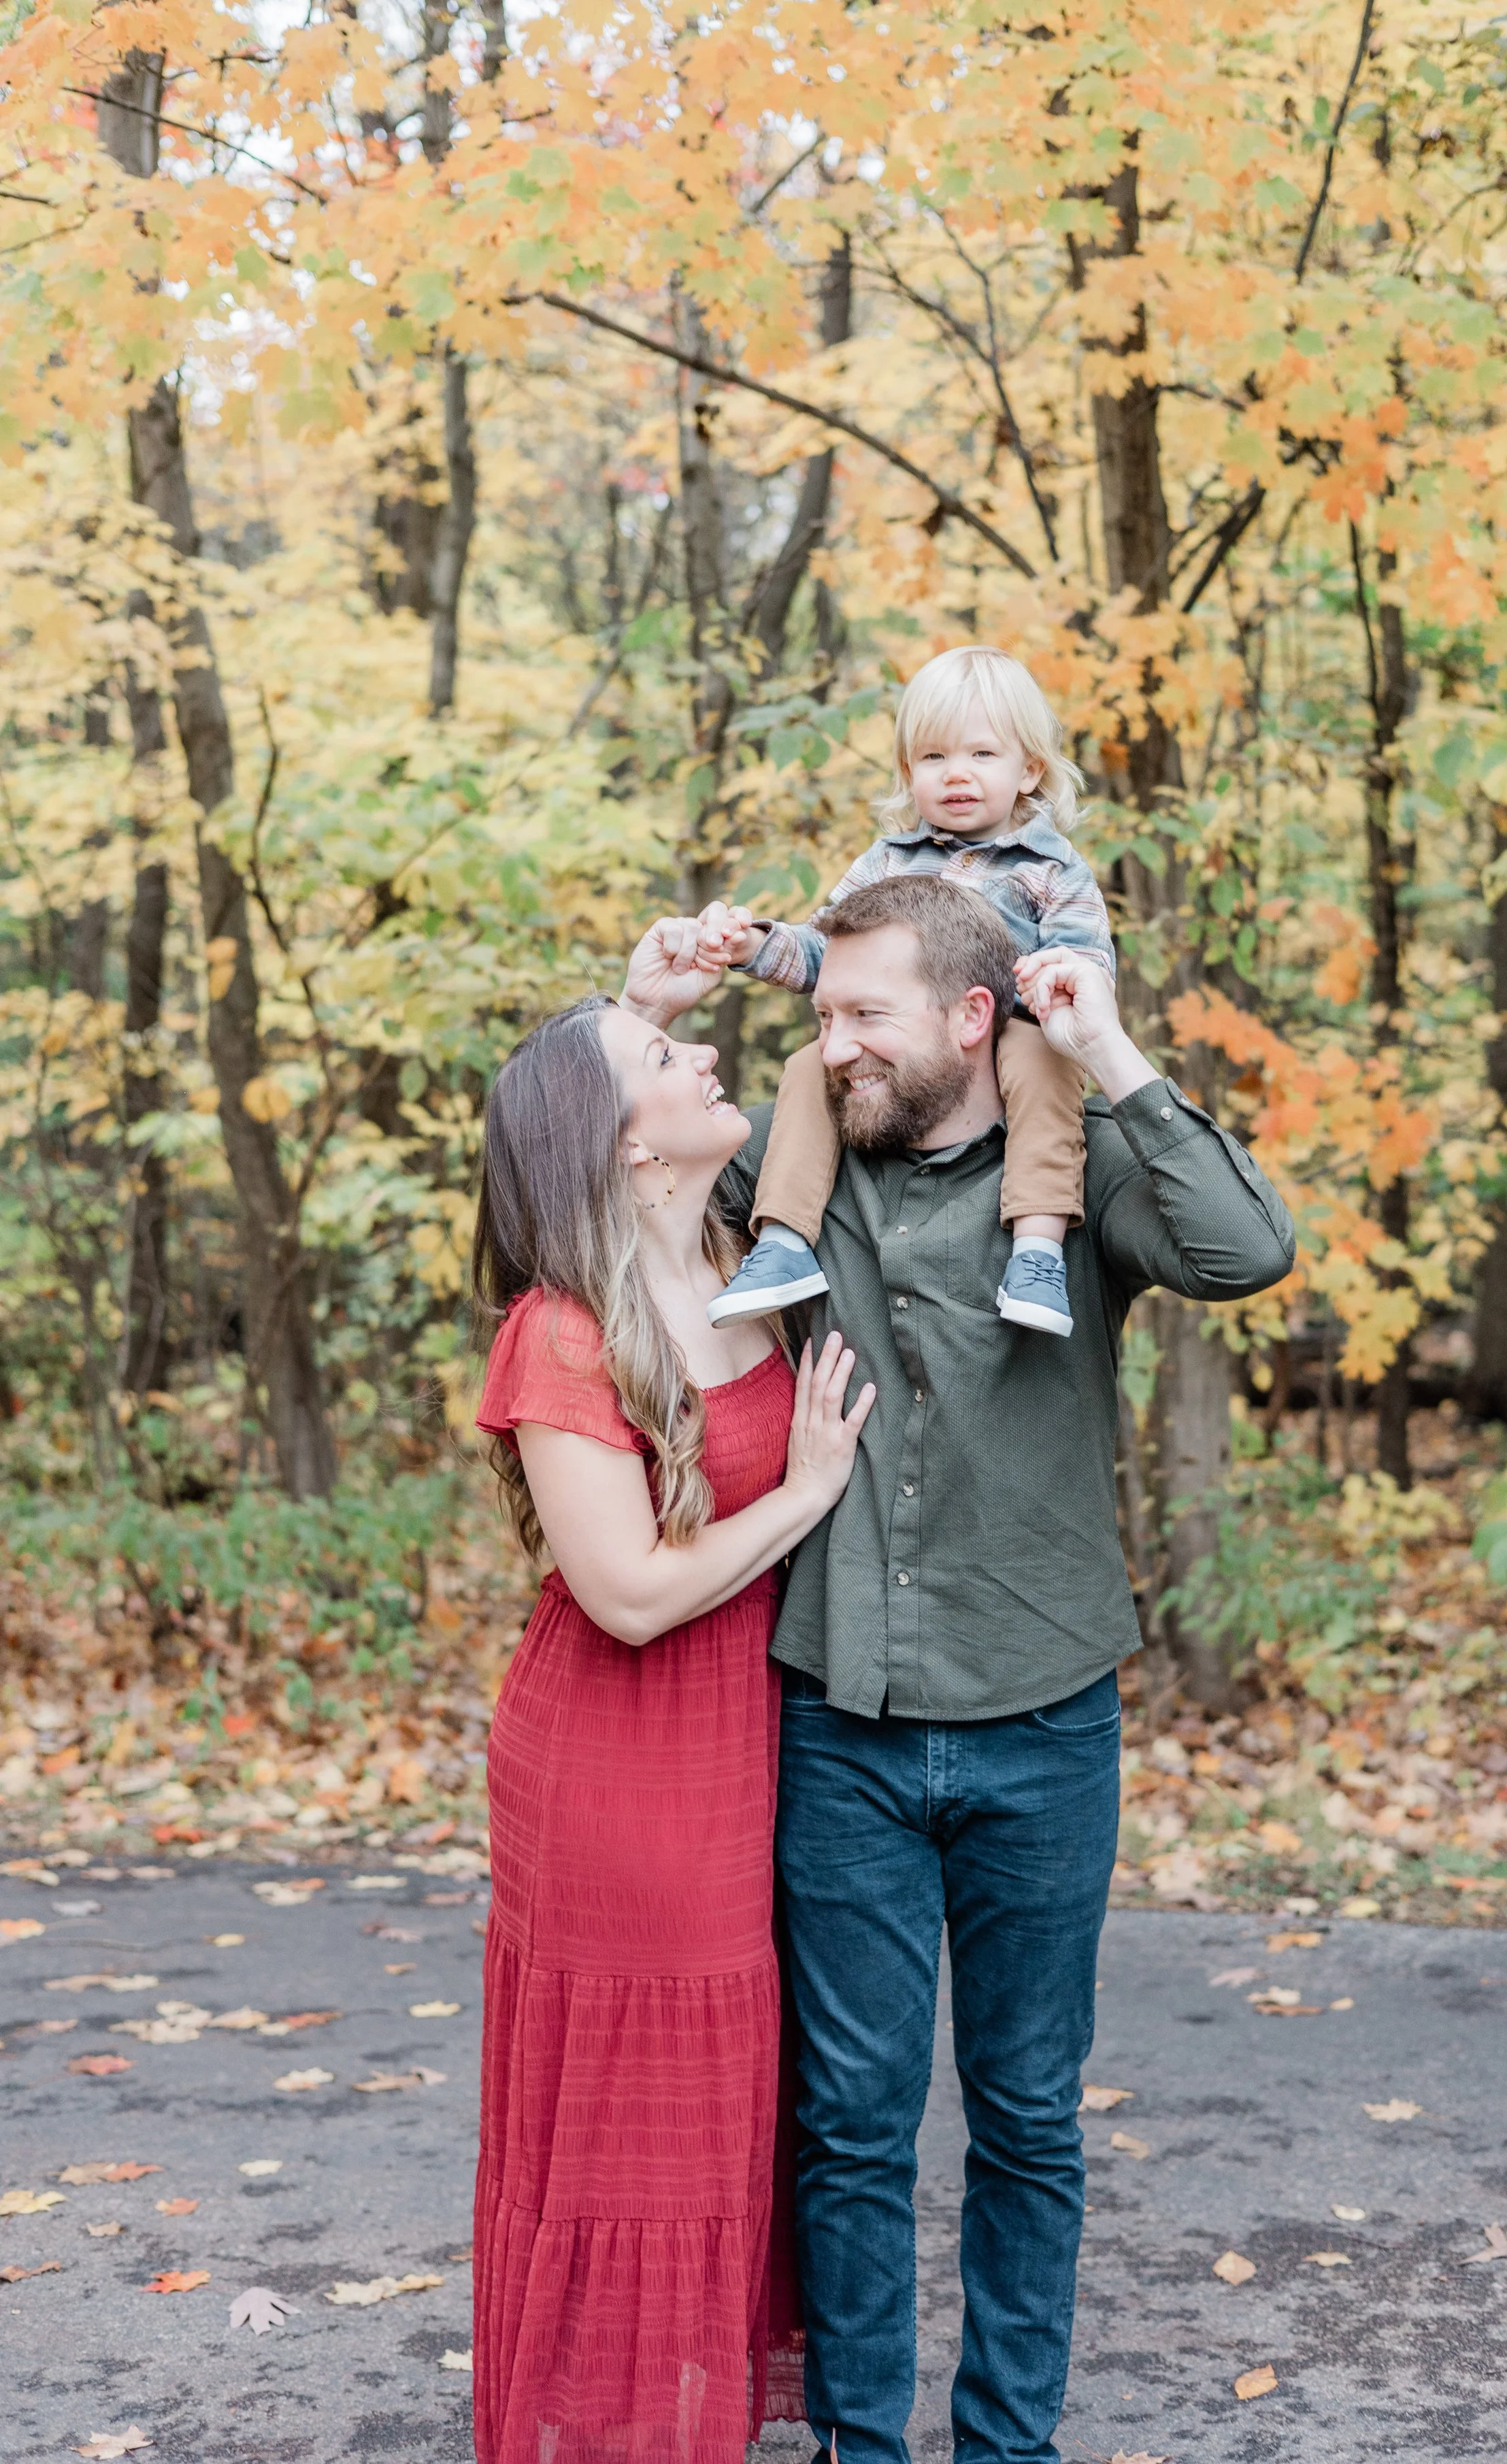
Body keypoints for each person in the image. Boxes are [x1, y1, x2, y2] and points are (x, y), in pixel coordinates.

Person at [620, 876, 1296, 2464]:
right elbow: (586, 1182)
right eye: (822, 1013)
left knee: (1029, 2120)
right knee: (849, 2123)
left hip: (1046, 1715)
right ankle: (865, 2442)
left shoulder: (1079, 1180)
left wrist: (1113, 1049)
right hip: (841, 1715)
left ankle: (1007, 2445)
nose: (831, 1044)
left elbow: (1248, 1246)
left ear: (969, 1016)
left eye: (865, 1016)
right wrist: (641, 1013)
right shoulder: (794, 1183)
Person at [467, 993, 875, 2464]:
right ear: (625, 1147)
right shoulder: (564, 1330)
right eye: (664, 1060)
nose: (703, 1065)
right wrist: (805, 1496)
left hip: (745, 1748)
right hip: (617, 1765)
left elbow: (850, 1052)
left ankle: (673, 2424)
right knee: (640, 2122)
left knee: (721, 2117)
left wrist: (664, 989)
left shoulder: (739, 1256)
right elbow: (628, 1596)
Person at [702, 644, 1114, 1340]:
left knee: (1044, 1065)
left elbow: (1086, 962)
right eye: (932, 758)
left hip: (1007, 1025)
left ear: (1029, 770)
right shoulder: (887, 862)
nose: (956, 774)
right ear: (907, 773)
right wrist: (752, 946)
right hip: (902, 1044)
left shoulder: (1051, 869)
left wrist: (1057, 978)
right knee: (811, 1064)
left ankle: (1038, 1250)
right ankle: (783, 1241)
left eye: (982, 755)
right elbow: (823, 954)